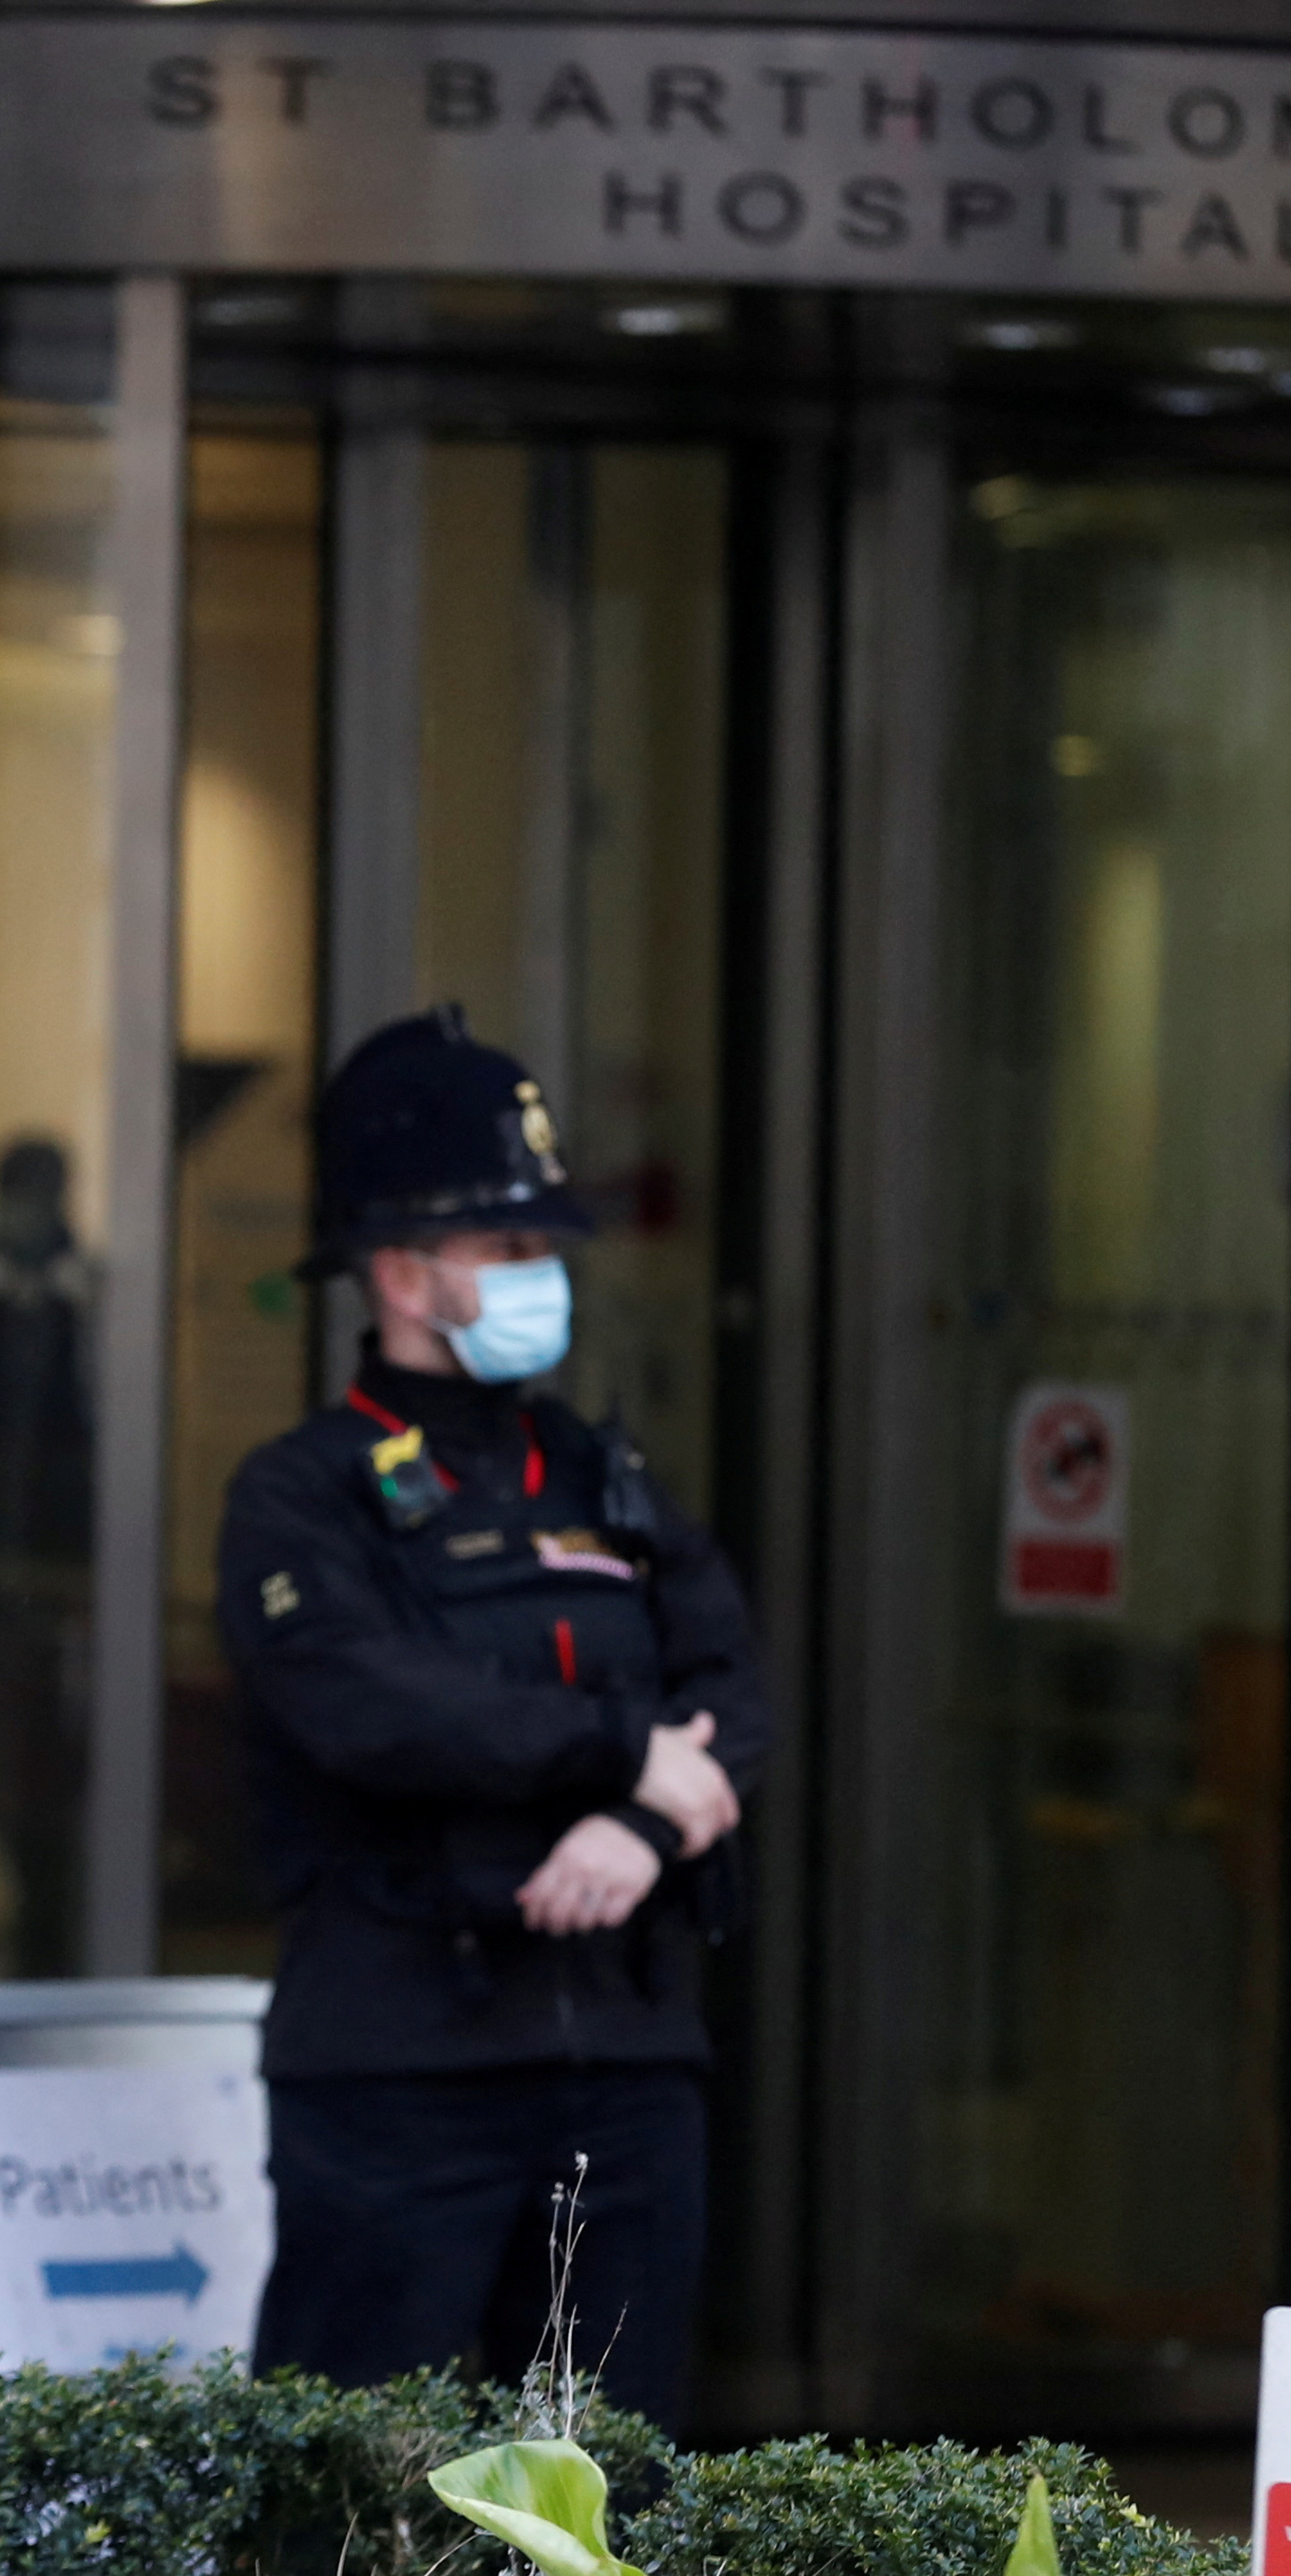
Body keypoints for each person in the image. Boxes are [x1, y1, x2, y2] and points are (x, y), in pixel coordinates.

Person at [221, 1008, 771, 2432]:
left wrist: (646, 1822)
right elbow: (375, 1707)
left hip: (627, 2069)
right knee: (355, 2487)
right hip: (405, 2067)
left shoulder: (602, 1475)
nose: (544, 1281)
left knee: (617, 2490)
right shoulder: (303, 1492)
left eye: (546, 1252)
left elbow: (730, 1687)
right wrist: (615, 1749)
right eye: (509, 1252)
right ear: (403, 1272)